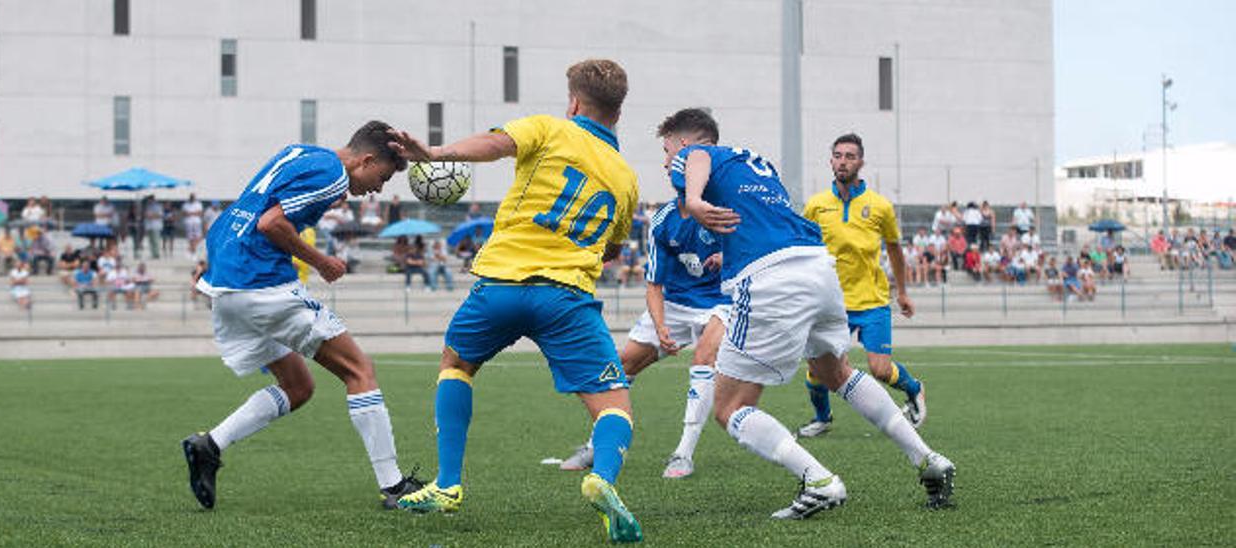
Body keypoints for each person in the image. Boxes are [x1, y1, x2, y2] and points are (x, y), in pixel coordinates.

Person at [384, 59, 643, 542]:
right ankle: (601, 478)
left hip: (499, 286)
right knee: (614, 405)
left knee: (456, 365)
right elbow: (610, 249)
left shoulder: (548, 128)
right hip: (566, 297)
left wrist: (435, 152)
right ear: (618, 111)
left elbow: (496, 144)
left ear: (574, 102)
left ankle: (447, 485)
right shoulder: (626, 178)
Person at [671, 110, 956, 518]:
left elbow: (695, 157)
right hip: (817, 268)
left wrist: (694, 199)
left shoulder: (695, 154)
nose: (668, 162)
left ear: (683, 142)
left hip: (773, 280)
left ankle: (819, 480)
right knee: (834, 371)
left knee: (729, 406)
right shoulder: (757, 163)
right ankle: (928, 459)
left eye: (667, 151)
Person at [181, 120, 424, 512]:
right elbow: (271, 222)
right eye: (380, 177)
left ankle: (208, 446)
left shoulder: (301, 153)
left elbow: (249, 207)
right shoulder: (332, 175)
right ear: (364, 160)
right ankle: (394, 486)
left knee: (298, 387)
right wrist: (321, 261)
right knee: (359, 370)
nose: (378, 189)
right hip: (261, 284)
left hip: (226, 283)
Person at [559, 188, 729, 480]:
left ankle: (683, 454)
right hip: (675, 303)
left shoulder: (725, 210)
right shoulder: (664, 219)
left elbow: (756, 248)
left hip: (721, 302)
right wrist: (661, 326)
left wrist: (729, 256)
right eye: (668, 156)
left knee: (703, 359)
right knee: (621, 366)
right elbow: (654, 285)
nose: (669, 164)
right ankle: (596, 446)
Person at [799, 132, 928, 439]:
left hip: (872, 300)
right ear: (831, 160)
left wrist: (904, 292)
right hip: (831, 304)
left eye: (850, 156)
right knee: (818, 370)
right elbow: (803, 246)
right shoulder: (817, 205)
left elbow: (895, 249)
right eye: (838, 155)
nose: (843, 162)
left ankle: (914, 388)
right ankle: (822, 417)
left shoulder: (880, 206)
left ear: (861, 162)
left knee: (880, 370)